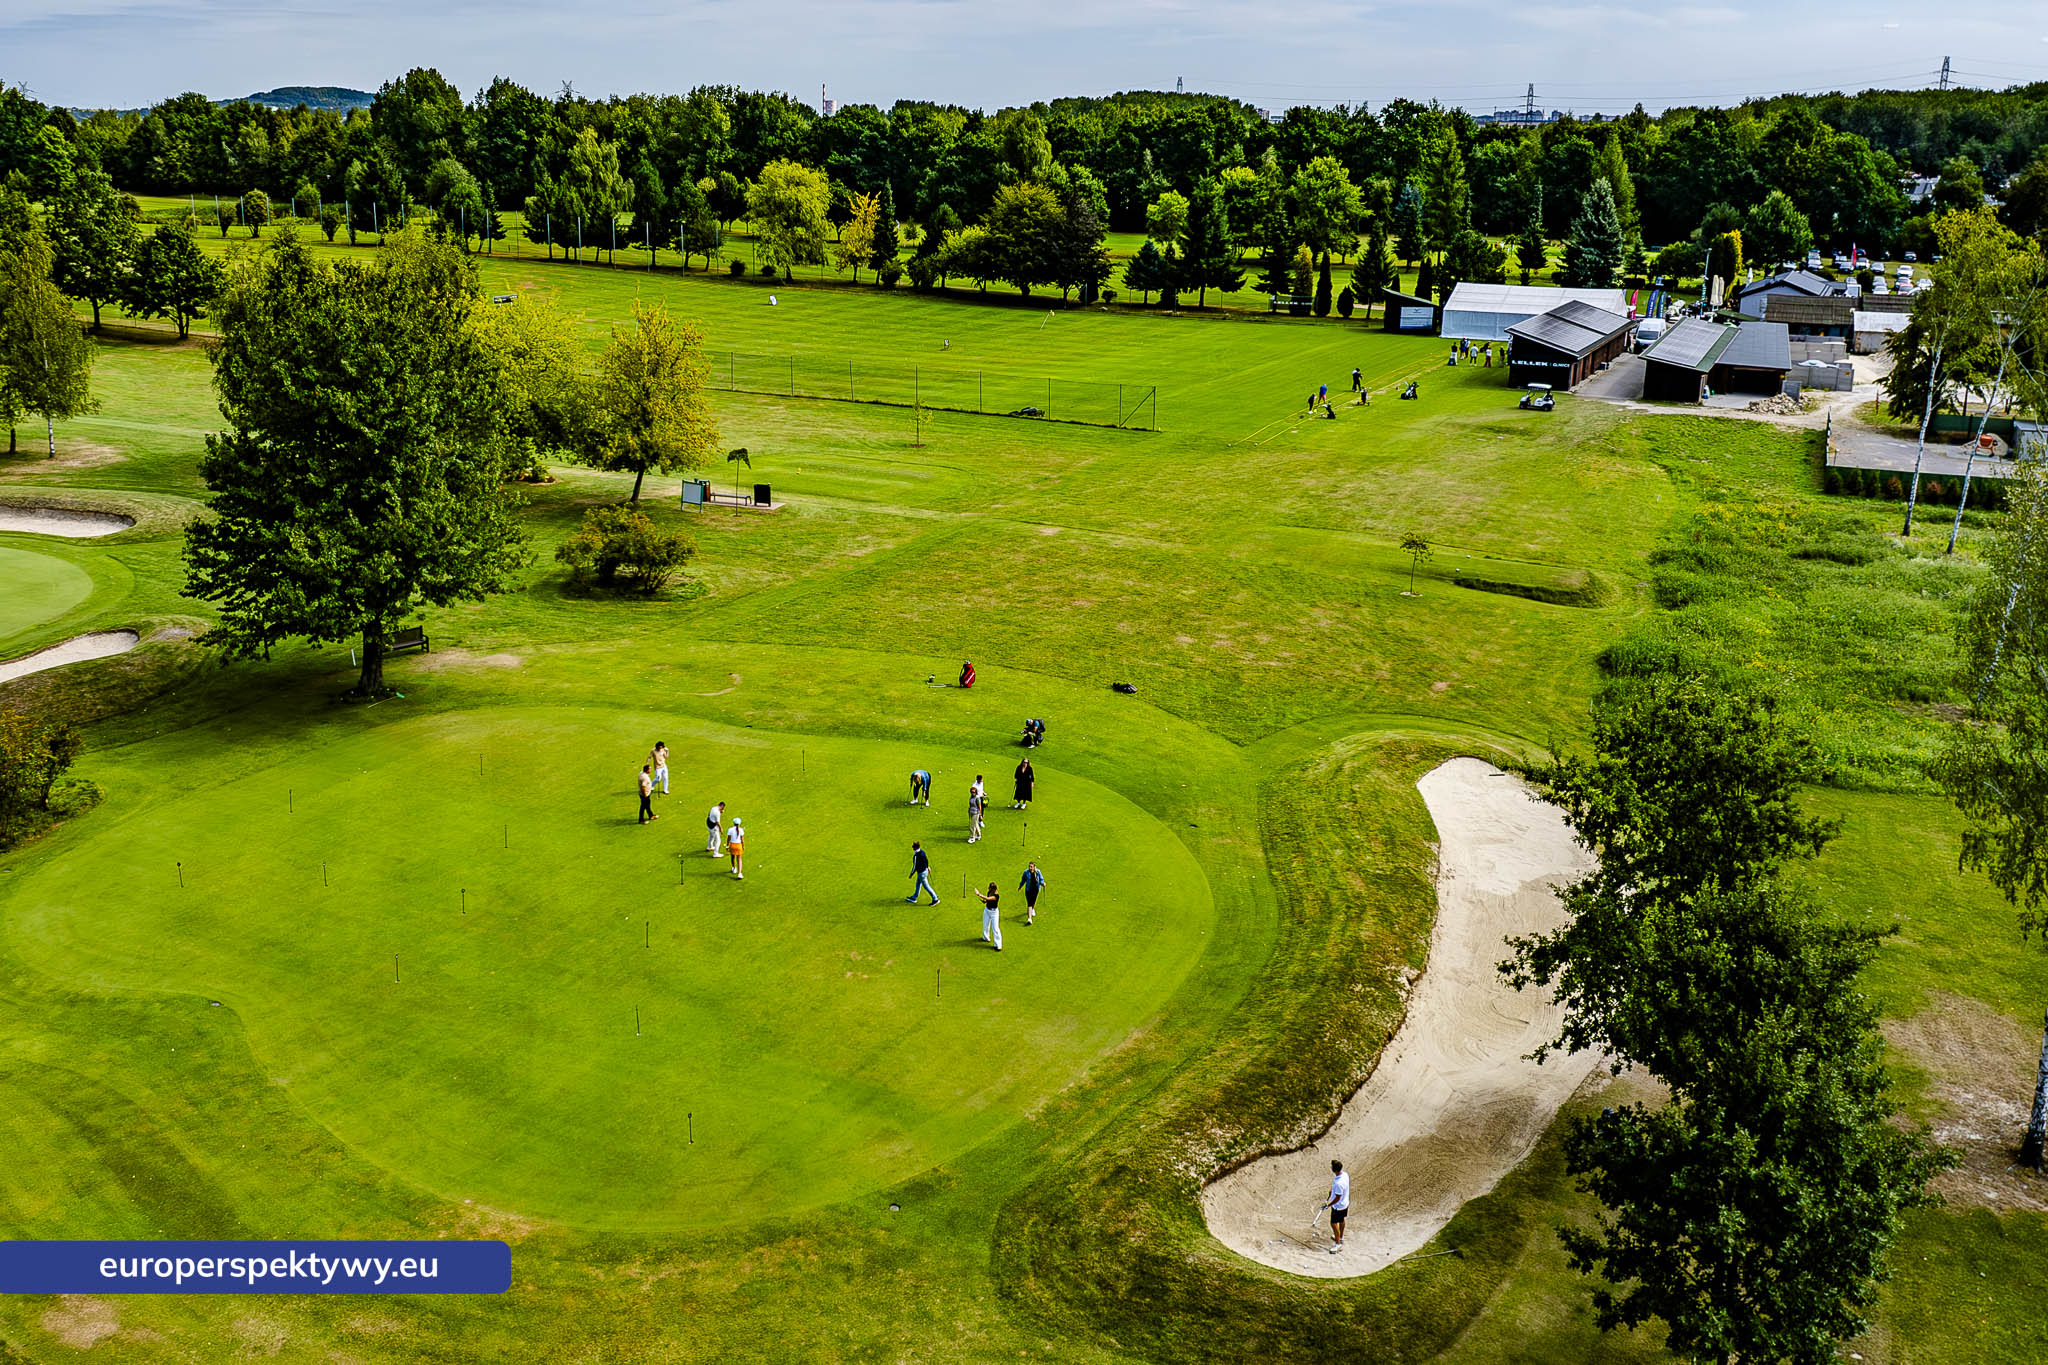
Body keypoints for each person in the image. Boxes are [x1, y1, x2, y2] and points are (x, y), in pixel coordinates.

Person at [1321, 1159, 1350, 1253]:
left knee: (1333, 1223)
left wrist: (1328, 1205)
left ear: (1334, 1170)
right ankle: (1340, 1237)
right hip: (1344, 1204)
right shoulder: (1344, 1174)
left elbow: (1337, 1197)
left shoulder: (1338, 1183)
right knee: (1341, 1220)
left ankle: (1338, 1244)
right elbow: (1336, 1192)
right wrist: (1332, 1191)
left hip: (1338, 1206)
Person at [975, 881, 1003, 950]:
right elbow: (987, 900)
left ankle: (998, 945)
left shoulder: (996, 895)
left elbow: (988, 898)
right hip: (987, 910)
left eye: (990, 887)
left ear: (992, 888)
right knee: (985, 924)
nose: (988, 888)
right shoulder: (989, 893)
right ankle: (985, 937)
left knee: (995, 928)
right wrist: (984, 901)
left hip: (994, 913)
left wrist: (979, 894)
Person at [968, 775, 986, 843]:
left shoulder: (977, 798)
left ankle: (972, 838)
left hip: (976, 813)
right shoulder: (971, 797)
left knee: (972, 826)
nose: (972, 793)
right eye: (971, 792)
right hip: (971, 812)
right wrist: (969, 809)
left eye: (973, 792)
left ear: (976, 792)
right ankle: (979, 835)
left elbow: (979, 807)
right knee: (975, 824)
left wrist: (980, 814)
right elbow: (970, 804)